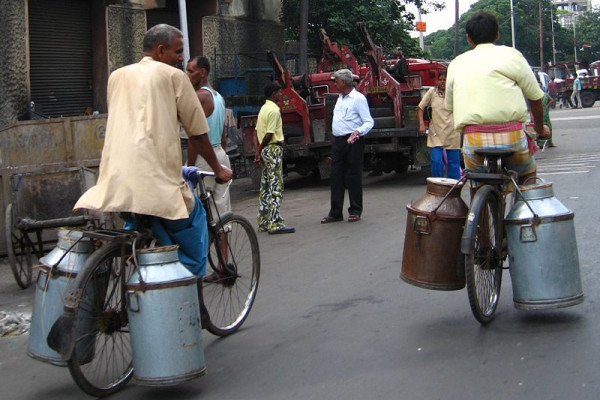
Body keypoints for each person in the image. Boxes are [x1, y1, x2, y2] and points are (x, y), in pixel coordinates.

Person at [74, 24, 232, 279]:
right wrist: (217, 169)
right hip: (156, 183)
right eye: (178, 52)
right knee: (195, 228)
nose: (182, 58)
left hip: (115, 183)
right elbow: (198, 134)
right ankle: (188, 298)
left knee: (140, 223)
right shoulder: (174, 77)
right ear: (160, 50)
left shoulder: (117, 76)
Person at [445, 11, 549, 185]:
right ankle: (526, 207)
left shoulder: (456, 63)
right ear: (497, 34)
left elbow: (450, 106)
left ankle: (478, 208)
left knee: (476, 181)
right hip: (512, 138)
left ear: (469, 38)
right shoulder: (512, 55)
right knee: (528, 172)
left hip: (474, 141)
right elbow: (535, 98)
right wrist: (540, 130)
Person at [321, 68, 374, 224]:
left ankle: (355, 210)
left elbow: (369, 121)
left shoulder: (358, 99)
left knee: (353, 175)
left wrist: (358, 131)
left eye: (336, 81)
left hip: (353, 140)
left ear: (343, 82)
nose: (334, 84)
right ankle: (335, 212)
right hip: (338, 141)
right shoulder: (339, 98)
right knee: (336, 176)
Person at [185, 55, 231, 218]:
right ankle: (223, 244)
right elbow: (223, 134)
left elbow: (195, 137)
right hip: (220, 153)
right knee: (221, 211)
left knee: (197, 210)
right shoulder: (218, 97)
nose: (187, 75)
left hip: (204, 157)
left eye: (191, 71)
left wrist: (189, 168)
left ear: (202, 73)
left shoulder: (199, 97)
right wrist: (221, 158)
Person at [254, 82, 295, 234]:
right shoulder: (274, 110)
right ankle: (275, 222)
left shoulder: (263, 109)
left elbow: (256, 131)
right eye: (279, 92)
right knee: (276, 185)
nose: (281, 94)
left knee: (265, 186)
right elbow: (269, 133)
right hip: (272, 149)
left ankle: (263, 220)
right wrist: (259, 150)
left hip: (265, 150)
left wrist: (258, 151)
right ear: (273, 94)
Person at [417, 70, 461, 180]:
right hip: (436, 133)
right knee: (436, 161)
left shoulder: (454, 93)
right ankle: (438, 186)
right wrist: (421, 124)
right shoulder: (432, 92)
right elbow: (420, 107)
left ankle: (453, 189)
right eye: (440, 79)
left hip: (452, 132)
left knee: (454, 163)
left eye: (444, 80)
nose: (442, 82)